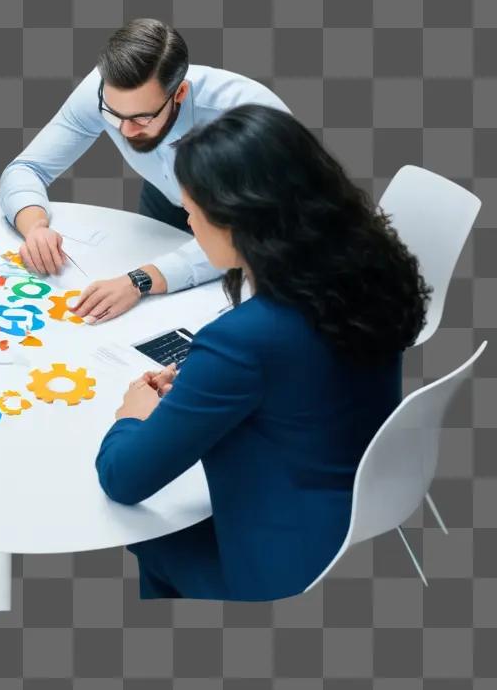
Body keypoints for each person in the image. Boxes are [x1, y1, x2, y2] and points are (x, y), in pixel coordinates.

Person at [95, 105, 430, 601]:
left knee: (152, 540)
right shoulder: (370, 267)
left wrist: (133, 416)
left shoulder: (240, 341)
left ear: (237, 221)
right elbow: (293, 373)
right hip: (355, 509)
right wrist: (208, 387)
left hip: (280, 566)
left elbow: (123, 479)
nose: (187, 220)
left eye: (193, 210)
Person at [0, 17, 289, 323]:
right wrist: (35, 226)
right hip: (164, 198)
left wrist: (140, 280)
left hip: (256, 224)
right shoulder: (102, 92)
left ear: (179, 94)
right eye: (113, 114)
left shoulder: (249, 116)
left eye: (141, 118)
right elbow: (26, 168)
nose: (125, 130)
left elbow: (247, 235)